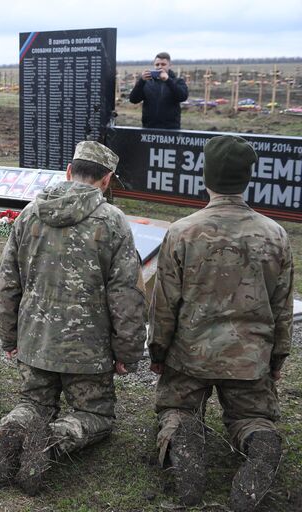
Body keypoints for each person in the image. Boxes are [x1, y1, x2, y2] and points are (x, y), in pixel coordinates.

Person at [0, 141, 147, 495]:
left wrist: (9, 338)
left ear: (68, 171)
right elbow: (127, 293)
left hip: (36, 343)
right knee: (94, 414)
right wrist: (128, 351)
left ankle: (13, 431)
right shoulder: (112, 221)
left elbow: (7, 284)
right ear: (106, 180)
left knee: (33, 403)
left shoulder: (30, 214)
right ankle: (52, 440)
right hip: (89, 352)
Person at [148, 135, 293, 511]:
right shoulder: (275, 234)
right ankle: (260, 442)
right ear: (248, 178)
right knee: (252, 416)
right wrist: (277, 358)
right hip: (250, 358)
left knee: (176, 410)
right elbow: (282, 306)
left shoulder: (182, 231)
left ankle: (183, 437)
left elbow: (164, 303)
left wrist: (158, 350)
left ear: (205, 177)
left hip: (189, 355)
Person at [128, 51, 189, 129]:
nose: (160, 67)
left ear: (169, 65)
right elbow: (133, 99)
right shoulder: (147, 82)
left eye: (163, 64)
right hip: (149, 128)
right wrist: (141, 81)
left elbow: (182, 97)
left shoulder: (177, 81)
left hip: (171, 128)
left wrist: (168, 80)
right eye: (157, 64)